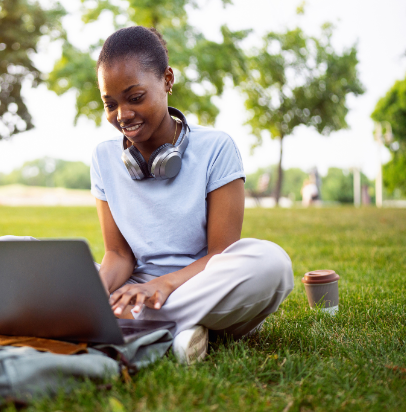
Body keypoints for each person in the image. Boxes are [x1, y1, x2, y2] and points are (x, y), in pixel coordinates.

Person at [90, 26, 294, 364]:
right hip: (134, 288)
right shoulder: (103, 157)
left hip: (202, 284)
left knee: (272, 264)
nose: (122, 115)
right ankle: (178, 330)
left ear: (167, 80)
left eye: (135, 97)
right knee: (15, 248)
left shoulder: (217, 148)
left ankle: (127, 326)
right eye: (110, 104)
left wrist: (164, 285)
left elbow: (221, 253)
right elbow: (118, 255)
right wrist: (92, 296)